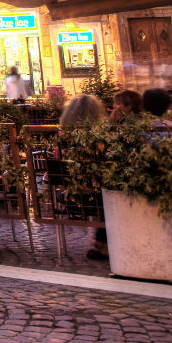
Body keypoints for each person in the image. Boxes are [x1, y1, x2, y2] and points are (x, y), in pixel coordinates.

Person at [57, 94, 110, 261]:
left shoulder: (62, 137)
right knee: (111, 195)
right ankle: (102, 241)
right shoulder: (100, 137)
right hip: (93, 195)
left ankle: (101, 242)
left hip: (68, 194)